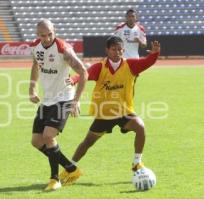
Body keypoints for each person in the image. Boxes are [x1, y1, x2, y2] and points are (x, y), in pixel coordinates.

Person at [60, 36, 160, 177]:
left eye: (120, 49)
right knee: (87, 142)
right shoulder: (100, 67)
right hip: (104, 114)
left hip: (124, 111)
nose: (117, 52)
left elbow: (147, 62)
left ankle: (137, 162)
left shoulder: (131, 65)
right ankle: (70, 169)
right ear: (107, 50)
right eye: (114, 49)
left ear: (123, 50)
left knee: (140, 127)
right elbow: (85, 75)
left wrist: (154, 54)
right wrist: (74, 79)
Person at [29, 19, 88, 191]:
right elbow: (35, 65)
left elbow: (83, 72)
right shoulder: (35, 47)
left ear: (55, 31)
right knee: (36, 141)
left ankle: (55, 179)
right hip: (47, 99)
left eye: (49, 34)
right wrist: (32, 89)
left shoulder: (63, 49)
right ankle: (71, 169)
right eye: (42, 35)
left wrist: (76, 101)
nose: (46, 38)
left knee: (48, 136)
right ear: (37, 34)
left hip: (64, 98)